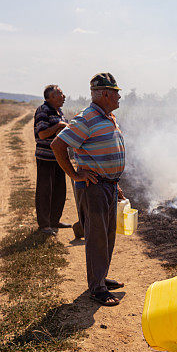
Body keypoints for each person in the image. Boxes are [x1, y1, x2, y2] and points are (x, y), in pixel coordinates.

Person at [51, 73, 127, 306]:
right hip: (92, 187)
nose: (119, 96)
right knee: (96, 237)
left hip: (108, 186)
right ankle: (96, 288)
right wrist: (74, 174)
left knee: (107, 235)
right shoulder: (86, 118)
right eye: (115, 92)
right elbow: (58, 145)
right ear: (105, 94)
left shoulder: (108, 116)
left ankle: (101, 278)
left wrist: (115, 182)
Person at [33, 84, 71, 234]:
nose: (64, 96)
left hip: (58, 157)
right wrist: (58, 126)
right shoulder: (43, 111)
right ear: (51, 97)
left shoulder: (58, 111)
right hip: (46, 157)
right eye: (60, 94)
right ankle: (44, 225)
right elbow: (42, 134)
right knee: (45, 191)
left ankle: (54, 220)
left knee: (59, 190)